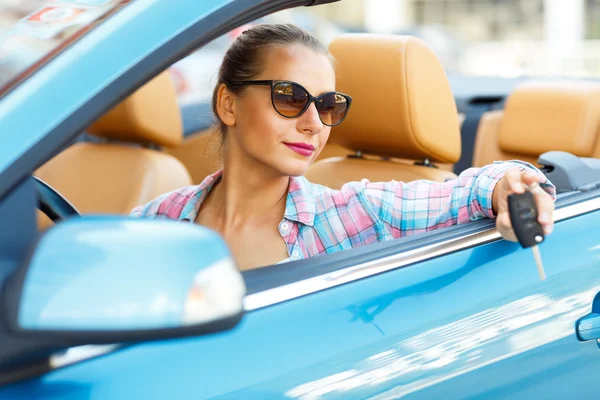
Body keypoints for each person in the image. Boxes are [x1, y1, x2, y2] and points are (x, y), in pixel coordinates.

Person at [131, 24, 556, 271]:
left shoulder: (350, 214)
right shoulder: (154, 224)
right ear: (228, 103)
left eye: (328, 105)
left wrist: (509, 183)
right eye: (291, 97)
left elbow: (468, 192)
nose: (313, 123)